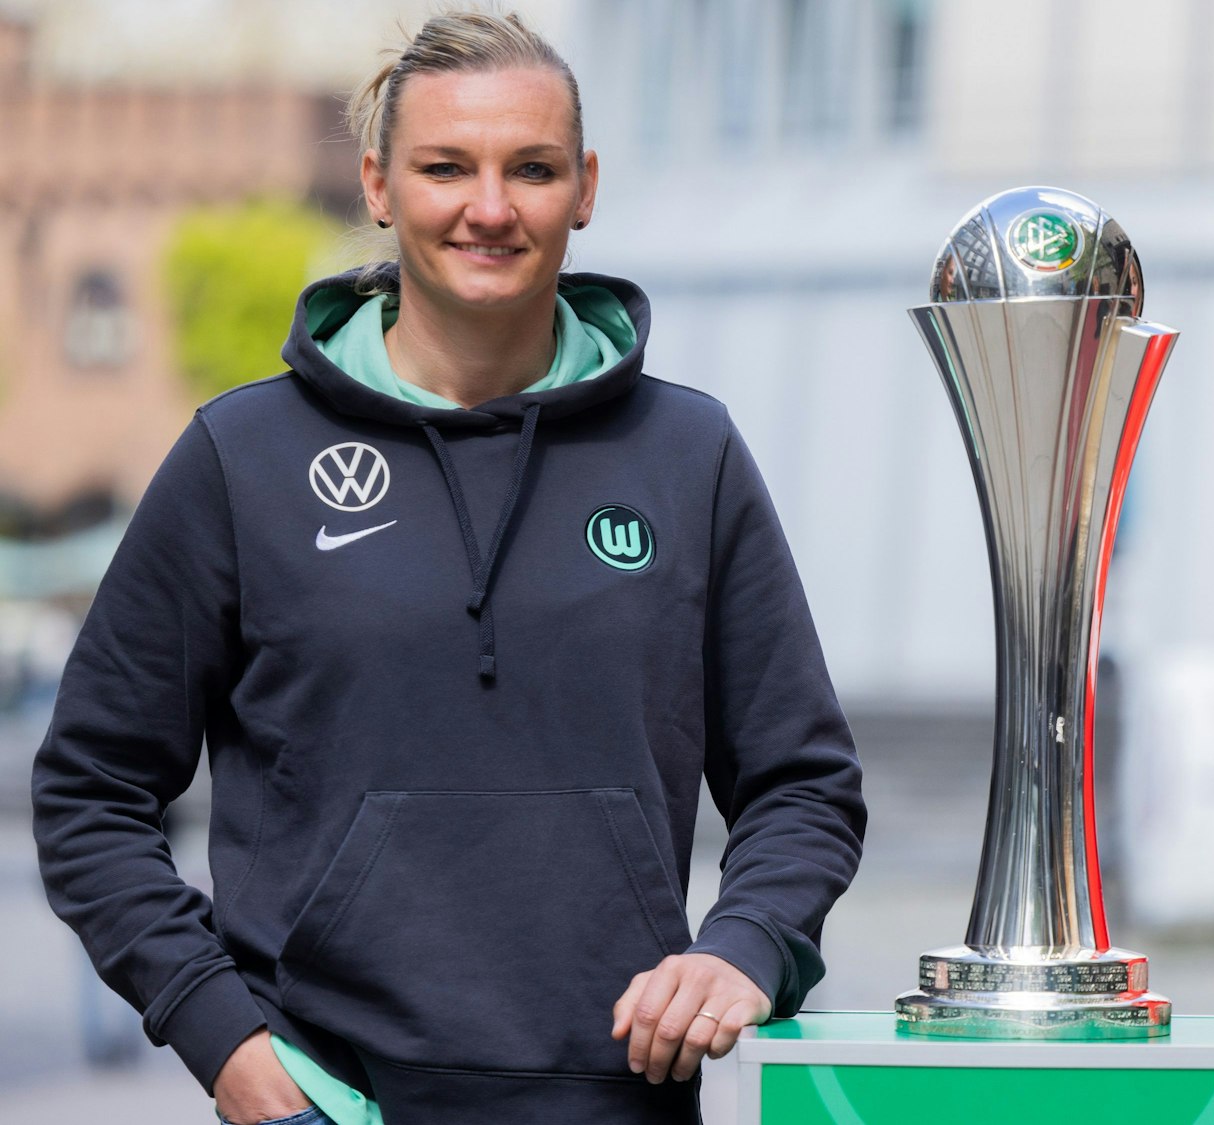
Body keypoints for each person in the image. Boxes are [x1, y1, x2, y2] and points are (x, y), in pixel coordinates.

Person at [33, 12, 865, 1124]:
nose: (489, 206)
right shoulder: (244, 461)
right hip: (330, 1101)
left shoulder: (686, 456)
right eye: (445, 167)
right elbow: (90, 790)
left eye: (531, 168)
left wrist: (746, 950)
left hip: (618, 1100)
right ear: (378, 184)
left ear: (585, 187)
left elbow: (802, 786)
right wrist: (221, 1038)